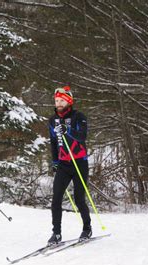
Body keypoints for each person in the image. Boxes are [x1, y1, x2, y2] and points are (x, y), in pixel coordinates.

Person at [48, 86, 92, 245]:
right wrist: (54, 161)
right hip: (64, 164)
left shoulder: (79, 117)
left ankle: (87, 228)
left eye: (61, 100)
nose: (58, 103)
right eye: (56, 101)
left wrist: (68, 130)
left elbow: (82, 136)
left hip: (79, 163)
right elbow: (53, 142)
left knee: (79, 199)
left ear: (69, 101)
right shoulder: (52, 120)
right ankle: (56, 233)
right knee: (56, 198)